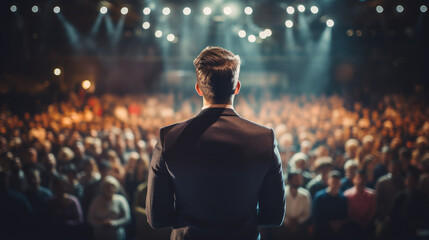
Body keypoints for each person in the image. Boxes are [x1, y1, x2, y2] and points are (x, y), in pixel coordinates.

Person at [146, 47, 286, 240]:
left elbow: (157, 218)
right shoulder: (264, 138)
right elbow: (274, 216)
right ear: (237, 87)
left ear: (198, 88)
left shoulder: (169, 138)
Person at [88, 176, 131, 240]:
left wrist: (114, 223)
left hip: (117, 234)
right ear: (103, 188)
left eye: (112, 186)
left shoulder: (121, 200)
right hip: (100, 235)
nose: (110, 189)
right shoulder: (96, 200)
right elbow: (90, 218)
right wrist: (101, 223)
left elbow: (127, 218)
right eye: (107, 186)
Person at [312, 170, 348, 240]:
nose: (335, 184)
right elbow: (316, 215)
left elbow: (344, 214)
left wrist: (338, 223)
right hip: (323, 231)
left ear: (340, 183)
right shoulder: (319, 197)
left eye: (337, 182)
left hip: (338, 232)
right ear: (328, 182)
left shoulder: (343, 198)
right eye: (333, 182)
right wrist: (330, 223)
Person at [344, 170, 376, 240]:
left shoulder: (372, 194)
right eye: (358, 178)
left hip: (368, 226)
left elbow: (373, 210)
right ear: (353, 180)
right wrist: (357, 221)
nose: (360, 181)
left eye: (363, 179)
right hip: (352, 226)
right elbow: (348, 211)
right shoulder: (347, 195)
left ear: (366, 180)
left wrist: (366, 221)